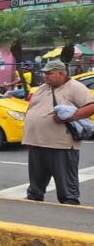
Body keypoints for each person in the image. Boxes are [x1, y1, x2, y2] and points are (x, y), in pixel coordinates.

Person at [23, 60, 94, 205]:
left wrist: (69, 117)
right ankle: (34, 202)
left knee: (67, 191)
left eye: (49, 73)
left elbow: (91, 107)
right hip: (36, 142)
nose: (45, 76)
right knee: (35, 190)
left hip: (61, 145)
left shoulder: (75, 87)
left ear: (62, 74)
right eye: (45, 73)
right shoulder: (43, 88)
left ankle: (69, 207)